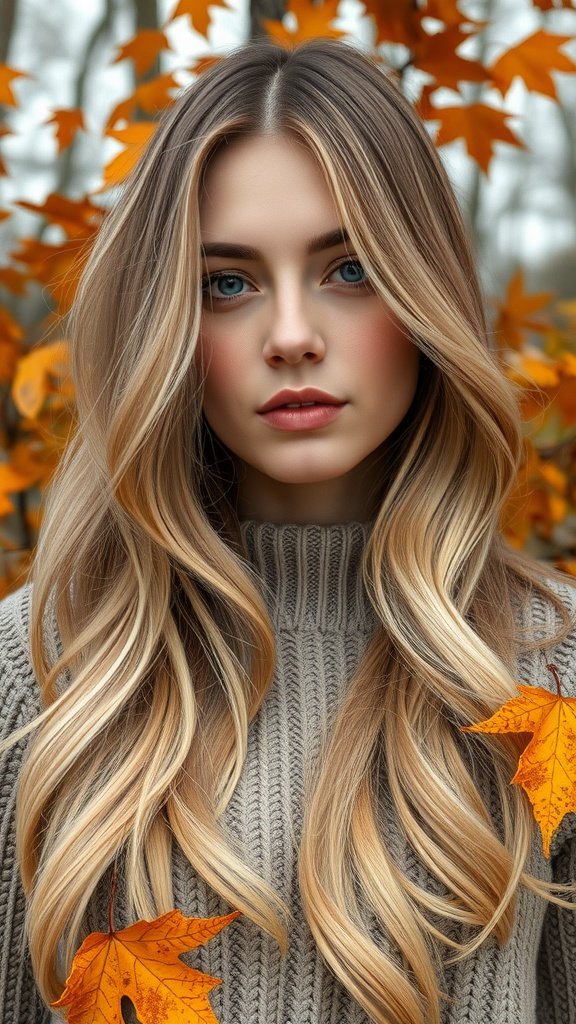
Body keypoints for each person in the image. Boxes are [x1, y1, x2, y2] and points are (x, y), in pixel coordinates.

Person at [0, 37, 574, 1024]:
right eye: (228, 283)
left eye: (349, 268)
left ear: (423, 288)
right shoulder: (40, 667)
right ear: (169, 323)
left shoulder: (552, 670)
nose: (292, 332)